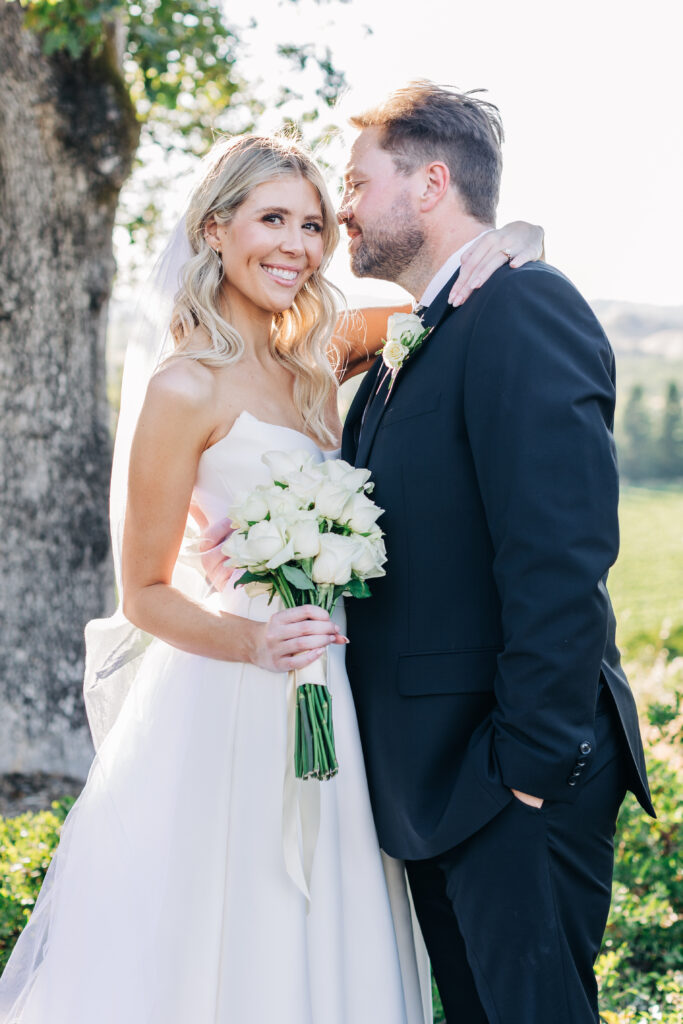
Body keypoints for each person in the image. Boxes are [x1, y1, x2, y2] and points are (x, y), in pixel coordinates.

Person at [0, 132, 542, 1023]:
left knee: (331, 931)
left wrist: (514, 235)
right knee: (231, 935)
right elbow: (144, 591)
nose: (296, 245)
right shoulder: (184, 388)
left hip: (338, 693)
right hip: (234, 699)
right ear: (215, 230)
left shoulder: (319, 360)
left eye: (315, 224)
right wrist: (252, 638)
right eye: (271, 220)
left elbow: (450, 298)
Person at [339, 81, 655, 1024]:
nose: (342, 207)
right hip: (434, 788)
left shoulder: (522, 309)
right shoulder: (422, 331)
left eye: (357, 183)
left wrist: (525, 765)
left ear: (431, 182)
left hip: (508, 780)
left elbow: (559, 554)